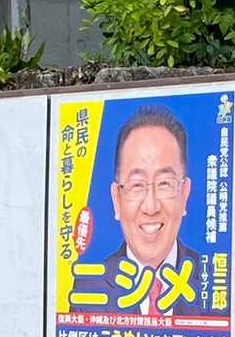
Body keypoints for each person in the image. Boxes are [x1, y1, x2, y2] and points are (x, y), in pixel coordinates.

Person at [70, 106, 203, 316]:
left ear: (184, 194)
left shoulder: (216, 283)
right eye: (137, 185)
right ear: (116, 199)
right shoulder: (87, 291)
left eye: (164, 183)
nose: (150, 207)